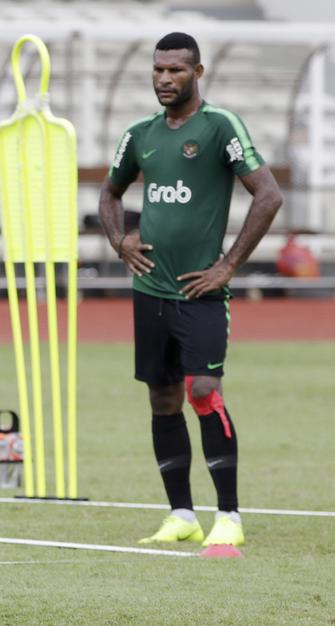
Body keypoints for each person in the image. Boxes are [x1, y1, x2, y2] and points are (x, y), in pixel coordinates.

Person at [98, 32, 282, 551]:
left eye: (176, 70)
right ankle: (181, 514)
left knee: (202, 390)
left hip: (200, 292)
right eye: (158, 69)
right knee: (162, 398)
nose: (164, 78)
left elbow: (268, 195)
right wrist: (119, 241)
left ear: (197, 73)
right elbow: (110, 193)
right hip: (150, 289)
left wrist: (228, 265)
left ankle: (229, 515)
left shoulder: (220, 126)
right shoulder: (139, 135)